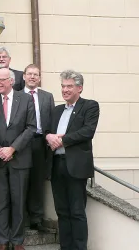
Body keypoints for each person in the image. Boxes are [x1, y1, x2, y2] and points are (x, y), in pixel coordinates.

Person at [46, 70, 99, 250]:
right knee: (62, 211)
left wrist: (62, 139)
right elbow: (47, 131)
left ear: (80, 88)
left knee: (77, 212)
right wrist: (48, 137)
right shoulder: (57, 110)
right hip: (56, 165)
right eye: (63, 86)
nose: (65, 90)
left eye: (69, 86)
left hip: (75, 167)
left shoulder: (90, 106)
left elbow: (87, 131)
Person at [0, 68, 36, 250]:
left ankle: (17, 240)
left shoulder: (26, 99)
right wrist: (0, 149)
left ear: (11, 81)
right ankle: (1, 240)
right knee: (0, 202)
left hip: (20, 158)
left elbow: (31, 127)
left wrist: (13, 148)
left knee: (18, 201)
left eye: (1, 80)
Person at [22, 64, 54, 233]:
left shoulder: (47, 97)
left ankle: (36, 218)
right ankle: (20, 218)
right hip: (21, 144)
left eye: (36, 74)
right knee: (20, 181)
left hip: (40, 142)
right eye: (29, 74)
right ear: (24, 77)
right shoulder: (17, 95)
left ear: (39, 78)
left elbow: (52, 120)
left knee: (37, 182)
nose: (32, 77)